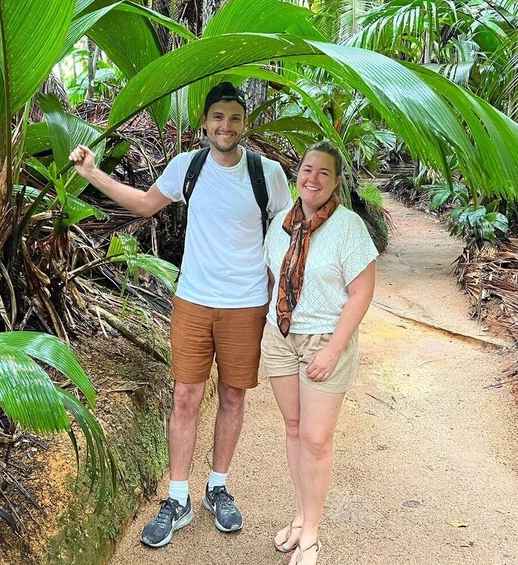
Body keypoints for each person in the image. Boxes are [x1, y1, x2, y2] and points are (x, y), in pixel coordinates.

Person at [69, 82, 292, 548]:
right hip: (193, 300)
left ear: (243, 123)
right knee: (186, 396)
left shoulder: (267, 174)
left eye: (234, 117)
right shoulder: (187, 167)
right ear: (204, 123)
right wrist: (92, 174)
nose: (225, 126)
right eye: (217, 117)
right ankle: (177, 498)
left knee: (233, 395)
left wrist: (280, 299)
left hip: (246, 303)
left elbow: (288, 234)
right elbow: (145, 204)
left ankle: (217, 486)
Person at [261, 140, 377, 565]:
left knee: (316, 437)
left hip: (324, 340)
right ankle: (301, 513)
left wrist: (333, 349)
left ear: (336, 182)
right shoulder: (280, 223)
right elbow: (273, 279)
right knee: (293, 429)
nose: (313, 178)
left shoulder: (349, 228)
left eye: (323, 173)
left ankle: (311, 532)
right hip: (280, 338)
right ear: (298, 173)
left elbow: (361, 294)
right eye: (308, 169)